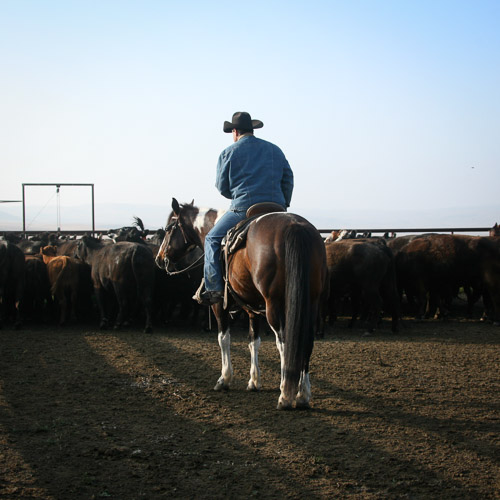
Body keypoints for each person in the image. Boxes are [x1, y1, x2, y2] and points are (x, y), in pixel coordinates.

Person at [196, 111, 294, 305]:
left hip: (243, 209)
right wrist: (283, 204)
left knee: (212, 239)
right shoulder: (275, 150)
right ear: (252, 129)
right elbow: (288, 178)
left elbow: (222, 186)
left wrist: (237, 196)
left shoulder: (228, 152)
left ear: (234, 131)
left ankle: (214, 288)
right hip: (276, 209)